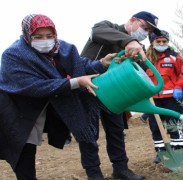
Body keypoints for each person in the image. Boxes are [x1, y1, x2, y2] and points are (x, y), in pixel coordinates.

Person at [0, 14, 118, 180]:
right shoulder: (13, 55)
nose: (45, 40)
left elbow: (80, 65)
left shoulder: (64, 48)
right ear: (26, 34)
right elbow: (32, 86)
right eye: (38, 36)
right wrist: (76, 82)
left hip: (57, 99)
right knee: (24, 148)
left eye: (50, 36)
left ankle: (95, 175)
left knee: (84, 129)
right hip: (21, 107)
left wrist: (101, 63)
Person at [80, 11, 160, 180]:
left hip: (115, 93)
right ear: (132, 20)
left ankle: (121, 168)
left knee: (116, 131)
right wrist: (129, 41)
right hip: (89, 88)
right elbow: (97, 32)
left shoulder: (139, 47)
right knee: (89, 135)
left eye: (148, 32)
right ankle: (94, 174)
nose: (145, 34)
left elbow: (141, 72)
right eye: (144, 28)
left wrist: (137, 57)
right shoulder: (106, 27)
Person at [144, 30, 183, 163]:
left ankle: (178, 150)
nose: (162, 44)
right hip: (153, 100)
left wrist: (179, 87)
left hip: (171, 98)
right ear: (152, 42)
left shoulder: (175, 57)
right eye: (158, 41)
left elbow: (182, 75)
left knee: (174, 125)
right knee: (156, 127)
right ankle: (161, 152)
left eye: (164, 41)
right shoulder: (145, 59)